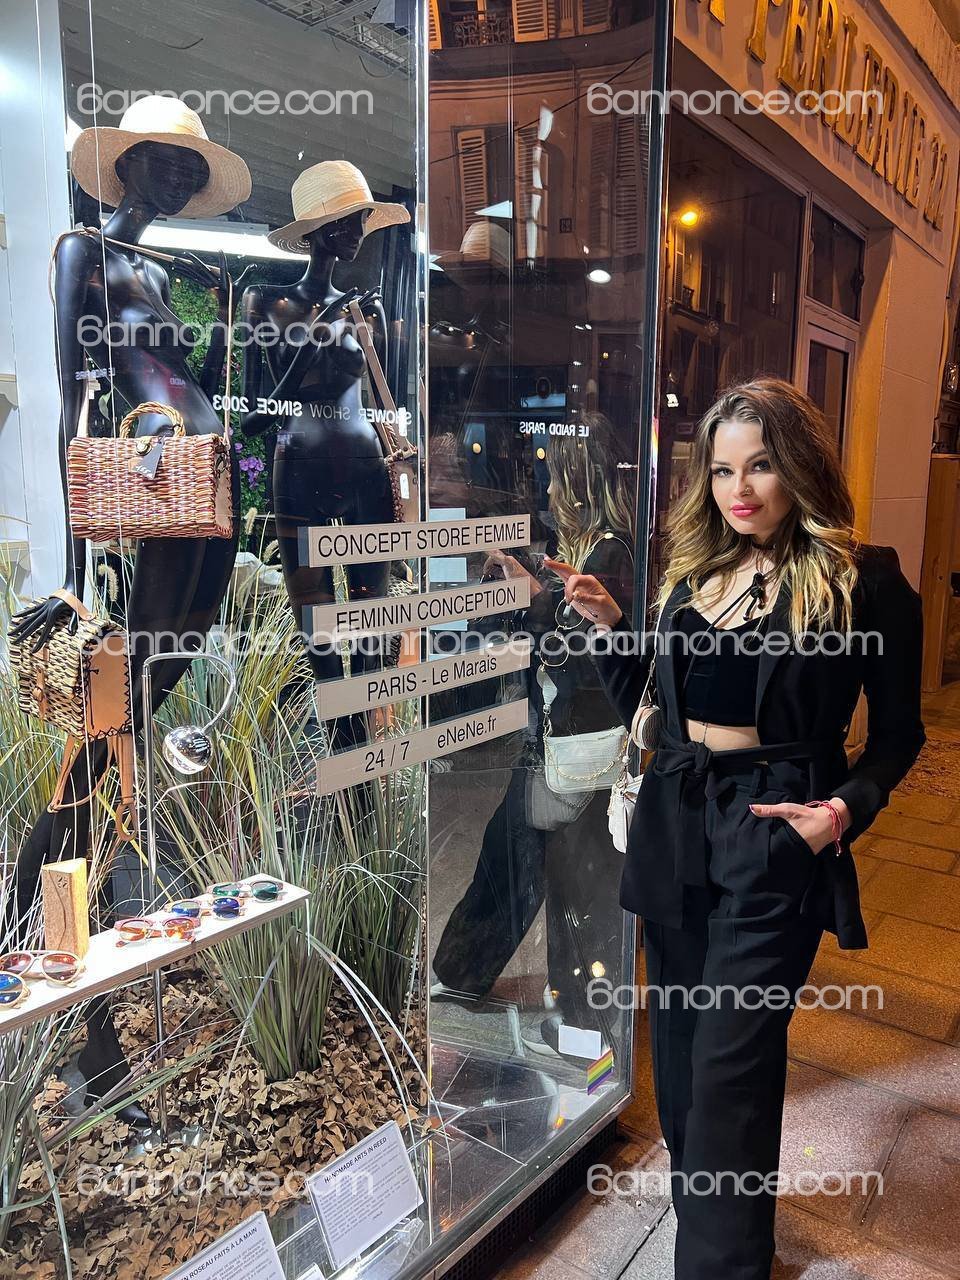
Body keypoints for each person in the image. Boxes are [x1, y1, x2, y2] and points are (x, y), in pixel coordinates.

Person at [547, 378, 924, 1278]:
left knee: (730, 1073)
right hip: (679, 820)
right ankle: (721, 1236)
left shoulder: (863, 579)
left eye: (759, 465)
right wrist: (612, 628)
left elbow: (899, 736)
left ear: (799, 465)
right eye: (721, 470)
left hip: (775, 831)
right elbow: (666, 708)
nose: (738, 489)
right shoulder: (696, 574)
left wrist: (838, 814)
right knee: (680, 1067)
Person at [432, 413, 634, 1057]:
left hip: (579, 749)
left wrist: (535, 603)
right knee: (518, 858)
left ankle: (579, 1022)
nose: (545, 488)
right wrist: (536, 593)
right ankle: (467, 976)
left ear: (577, 479)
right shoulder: (597, 548)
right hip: (560, 741)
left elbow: (585, 659)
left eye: (554, 474)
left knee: (565, 882)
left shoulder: (609, 554)